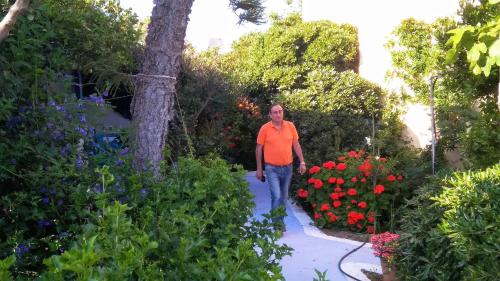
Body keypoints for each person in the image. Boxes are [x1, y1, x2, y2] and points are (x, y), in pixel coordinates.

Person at [255, 104, 306, 230]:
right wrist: (259, 168)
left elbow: (296, 145)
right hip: (271, 168)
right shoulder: (265, 128)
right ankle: (277, 226)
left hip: (287, 168)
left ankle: (280, 222)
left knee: (283, 197)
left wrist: (302, 161)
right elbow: (258, 149)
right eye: (275, 112)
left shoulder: (290, 126)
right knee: (276, 196)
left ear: (283, 112)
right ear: (270, 114)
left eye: (280, 111)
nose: (278, 114)